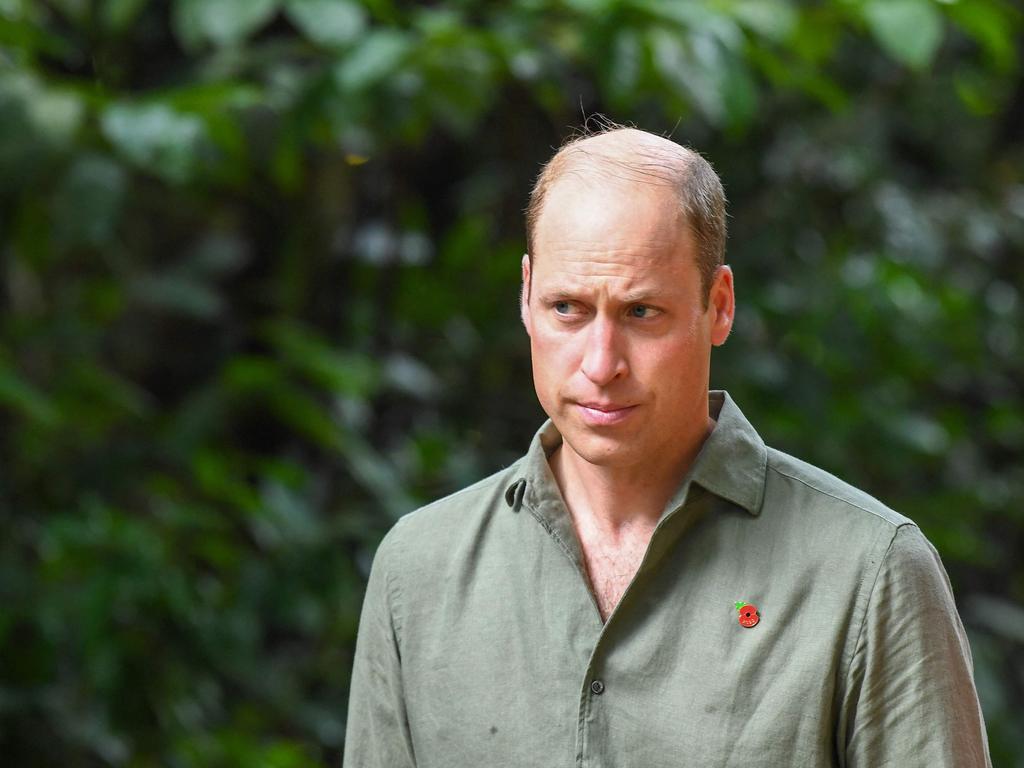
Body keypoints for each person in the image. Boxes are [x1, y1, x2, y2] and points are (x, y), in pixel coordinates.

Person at [343, 126, 990, 767]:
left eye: (641, 313)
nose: (601, 363)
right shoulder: (418, 571)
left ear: (720, 305)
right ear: (525, 295)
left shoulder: (868, 572)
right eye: (567, 308)